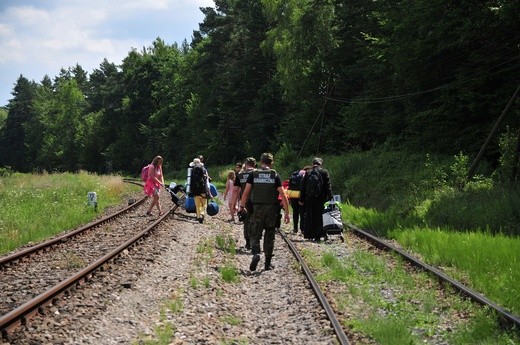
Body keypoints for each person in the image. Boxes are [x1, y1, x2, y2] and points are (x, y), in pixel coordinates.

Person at [239, 153, 290, 271]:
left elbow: (246, 192)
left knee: (254, 232)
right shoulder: (274, 175)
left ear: (260, 162)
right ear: (271, 163)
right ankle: (267, 263)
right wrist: (287, 212)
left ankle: (256, 253)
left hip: (257, 208)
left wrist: (242, 206)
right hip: (272, 209)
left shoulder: (253, 174)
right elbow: (283, 194)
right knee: (270, 233)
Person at [299, 157, 333, 242]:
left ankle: (313, 235)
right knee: (322, 216)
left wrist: (301, 199)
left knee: (311, 216)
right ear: (321, 164)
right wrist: (331, 197)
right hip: (321, 198)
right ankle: (322, 233)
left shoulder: (308, 172)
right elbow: (328, 186)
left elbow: (303, 187)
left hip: (310, 198)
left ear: (312, 164)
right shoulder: (324, 172)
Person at [231, 157, 256, 250]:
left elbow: (235, 191)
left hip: (245, 202)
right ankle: (256, 242)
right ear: (254, 164)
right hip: (257, 201)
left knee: (246, 221)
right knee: (257, 221)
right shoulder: (257, 173)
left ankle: (248, 243)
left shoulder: (240, 175)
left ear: (245, 164)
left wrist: (233, 204)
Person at [287, 166, 310, 234]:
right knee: (302, 213)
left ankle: (295, 228)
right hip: (301, 196)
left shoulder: (295, 174)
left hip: (293, 195)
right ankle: (302, 229)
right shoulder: (306, 174)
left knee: (295, 212)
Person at [189, 157, 209, 223]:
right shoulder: (204, 170)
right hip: (203, 190)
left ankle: (198, 216)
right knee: (204, 204)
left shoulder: (192, 171)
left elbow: (190, 182)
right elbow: (207, 181)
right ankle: (202, 213)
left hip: (195, 191)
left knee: (198, 205)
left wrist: (191, 191)